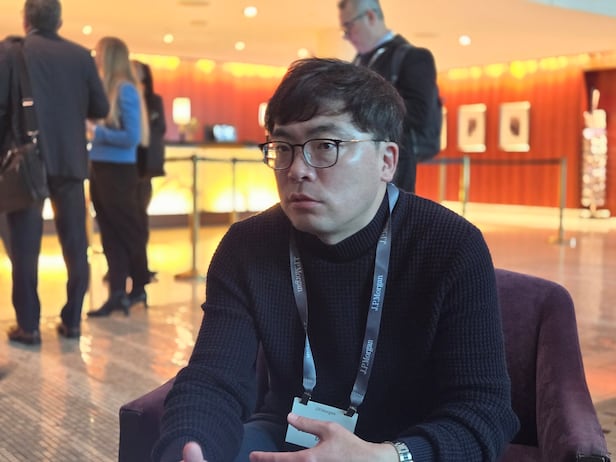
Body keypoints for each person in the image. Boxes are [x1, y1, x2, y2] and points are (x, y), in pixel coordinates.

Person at [153, 58, 518, 462]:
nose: (297, 170)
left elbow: (483, 411)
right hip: (287, 433)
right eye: (283, 148)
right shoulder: (247, 245)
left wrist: (387, 456)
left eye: (325, 146)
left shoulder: (450, 245)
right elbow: (214, 379)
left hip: (402, 448)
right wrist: (191, 446)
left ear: (387, 161)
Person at [0, 0, 109, 345]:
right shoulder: (81, 56)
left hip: (26, 163)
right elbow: (100, 107)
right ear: (59, 21)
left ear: (25, 19)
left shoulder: (11, 52)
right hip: (71, 161)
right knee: (76, 244)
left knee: (24, 249)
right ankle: (72, 320)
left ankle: (29, 326)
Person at [338, 0, 438, 193]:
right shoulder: (359, 62)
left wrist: (358, 108)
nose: (346, 36)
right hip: (360, 164)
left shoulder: (413, 57)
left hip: (392, 167)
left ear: (370, 16)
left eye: (348, 26)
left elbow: (419, 113)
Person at [86, 36, 150, 317]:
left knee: (127, 230)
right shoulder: (105, 88)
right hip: (100, 168)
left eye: (99, 51)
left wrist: (96, 132)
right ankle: (116, 292)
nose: (95, 55)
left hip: (119, 172)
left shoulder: (125, 90)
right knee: (109, 232)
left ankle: (139, 285)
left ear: (110, 56)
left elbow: (131, 137)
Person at [132, 60, 167, 286]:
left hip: (145, 166)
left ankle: (140, 268)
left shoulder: (154, 101)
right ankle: (127, 267)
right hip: (128, 164)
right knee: (128, 219)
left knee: (140, 218)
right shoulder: (125, 97)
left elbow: (160, 128)